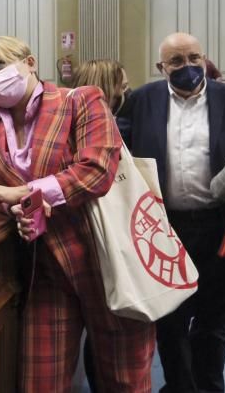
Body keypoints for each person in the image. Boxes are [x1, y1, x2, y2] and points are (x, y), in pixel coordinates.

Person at [0, 36, 154, 392]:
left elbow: (96, 170)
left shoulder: (80, 100)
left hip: (105, 260)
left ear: (30, 62)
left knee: (125, 380)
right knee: (40, 383)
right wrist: (14, 206)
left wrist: (26, 192)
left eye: (0, 65)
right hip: (43, 268)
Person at [119, 32, 225, 392]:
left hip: (219, 224)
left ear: (204, 58)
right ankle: (180, 386)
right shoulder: (142, 100)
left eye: (194, 58)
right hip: (164, 228)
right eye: (177, 62)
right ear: (161, 67)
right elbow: (116, 147)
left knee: (214, 317)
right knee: (170, 316)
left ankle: (210, 385)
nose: (188, 67)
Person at [71, 58, 135, 392]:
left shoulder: (65, 120)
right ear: (107, 87)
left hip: (77, 238)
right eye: (122, 86)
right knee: (114, 332)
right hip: (106, 238)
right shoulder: (109, 127)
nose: (126, 92)